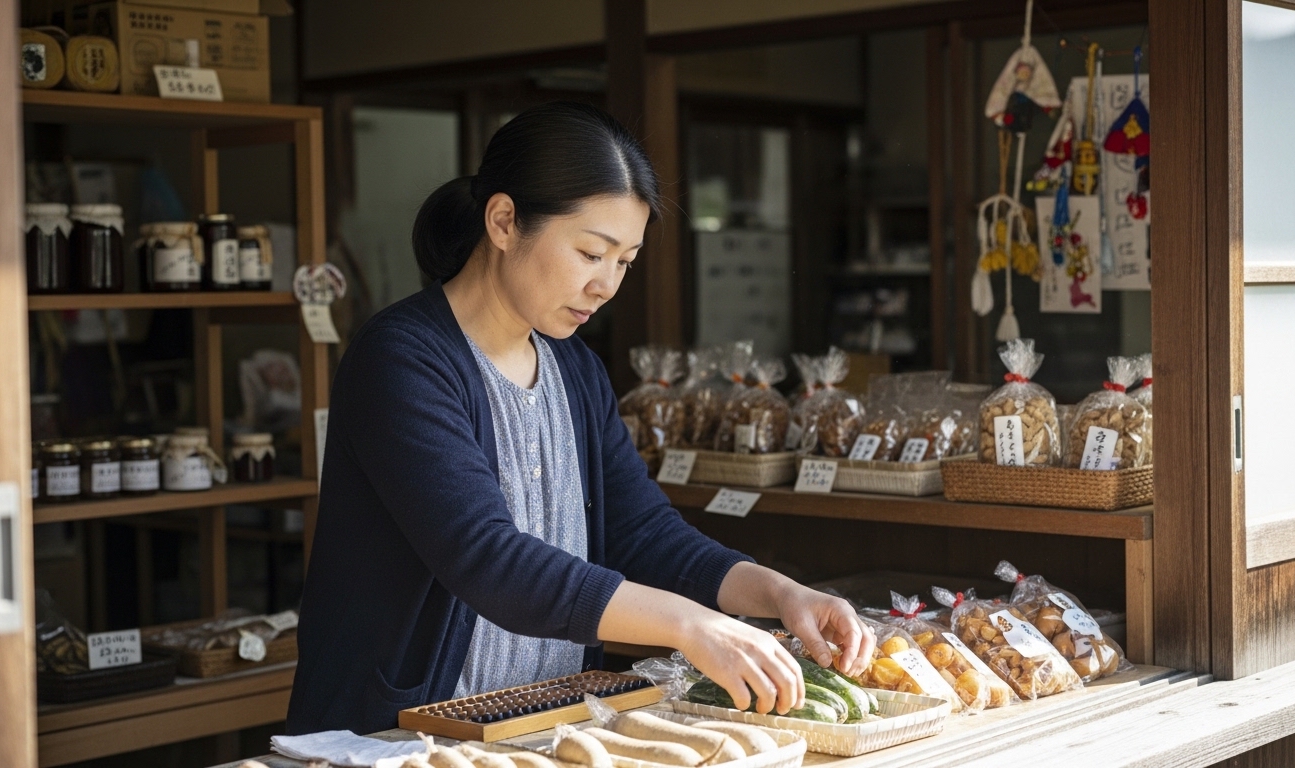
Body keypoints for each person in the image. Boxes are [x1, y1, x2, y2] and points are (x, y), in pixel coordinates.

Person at [286, 101, 874, 735]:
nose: (607, 286)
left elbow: (644, 534)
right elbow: (488, 559)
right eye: (592, 253)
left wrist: (781, 595)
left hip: (544, 724)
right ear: (504, 221)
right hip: (398, 736)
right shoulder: (401, 359)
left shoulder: (574, 368)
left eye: (625, 261)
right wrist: (692, 625)